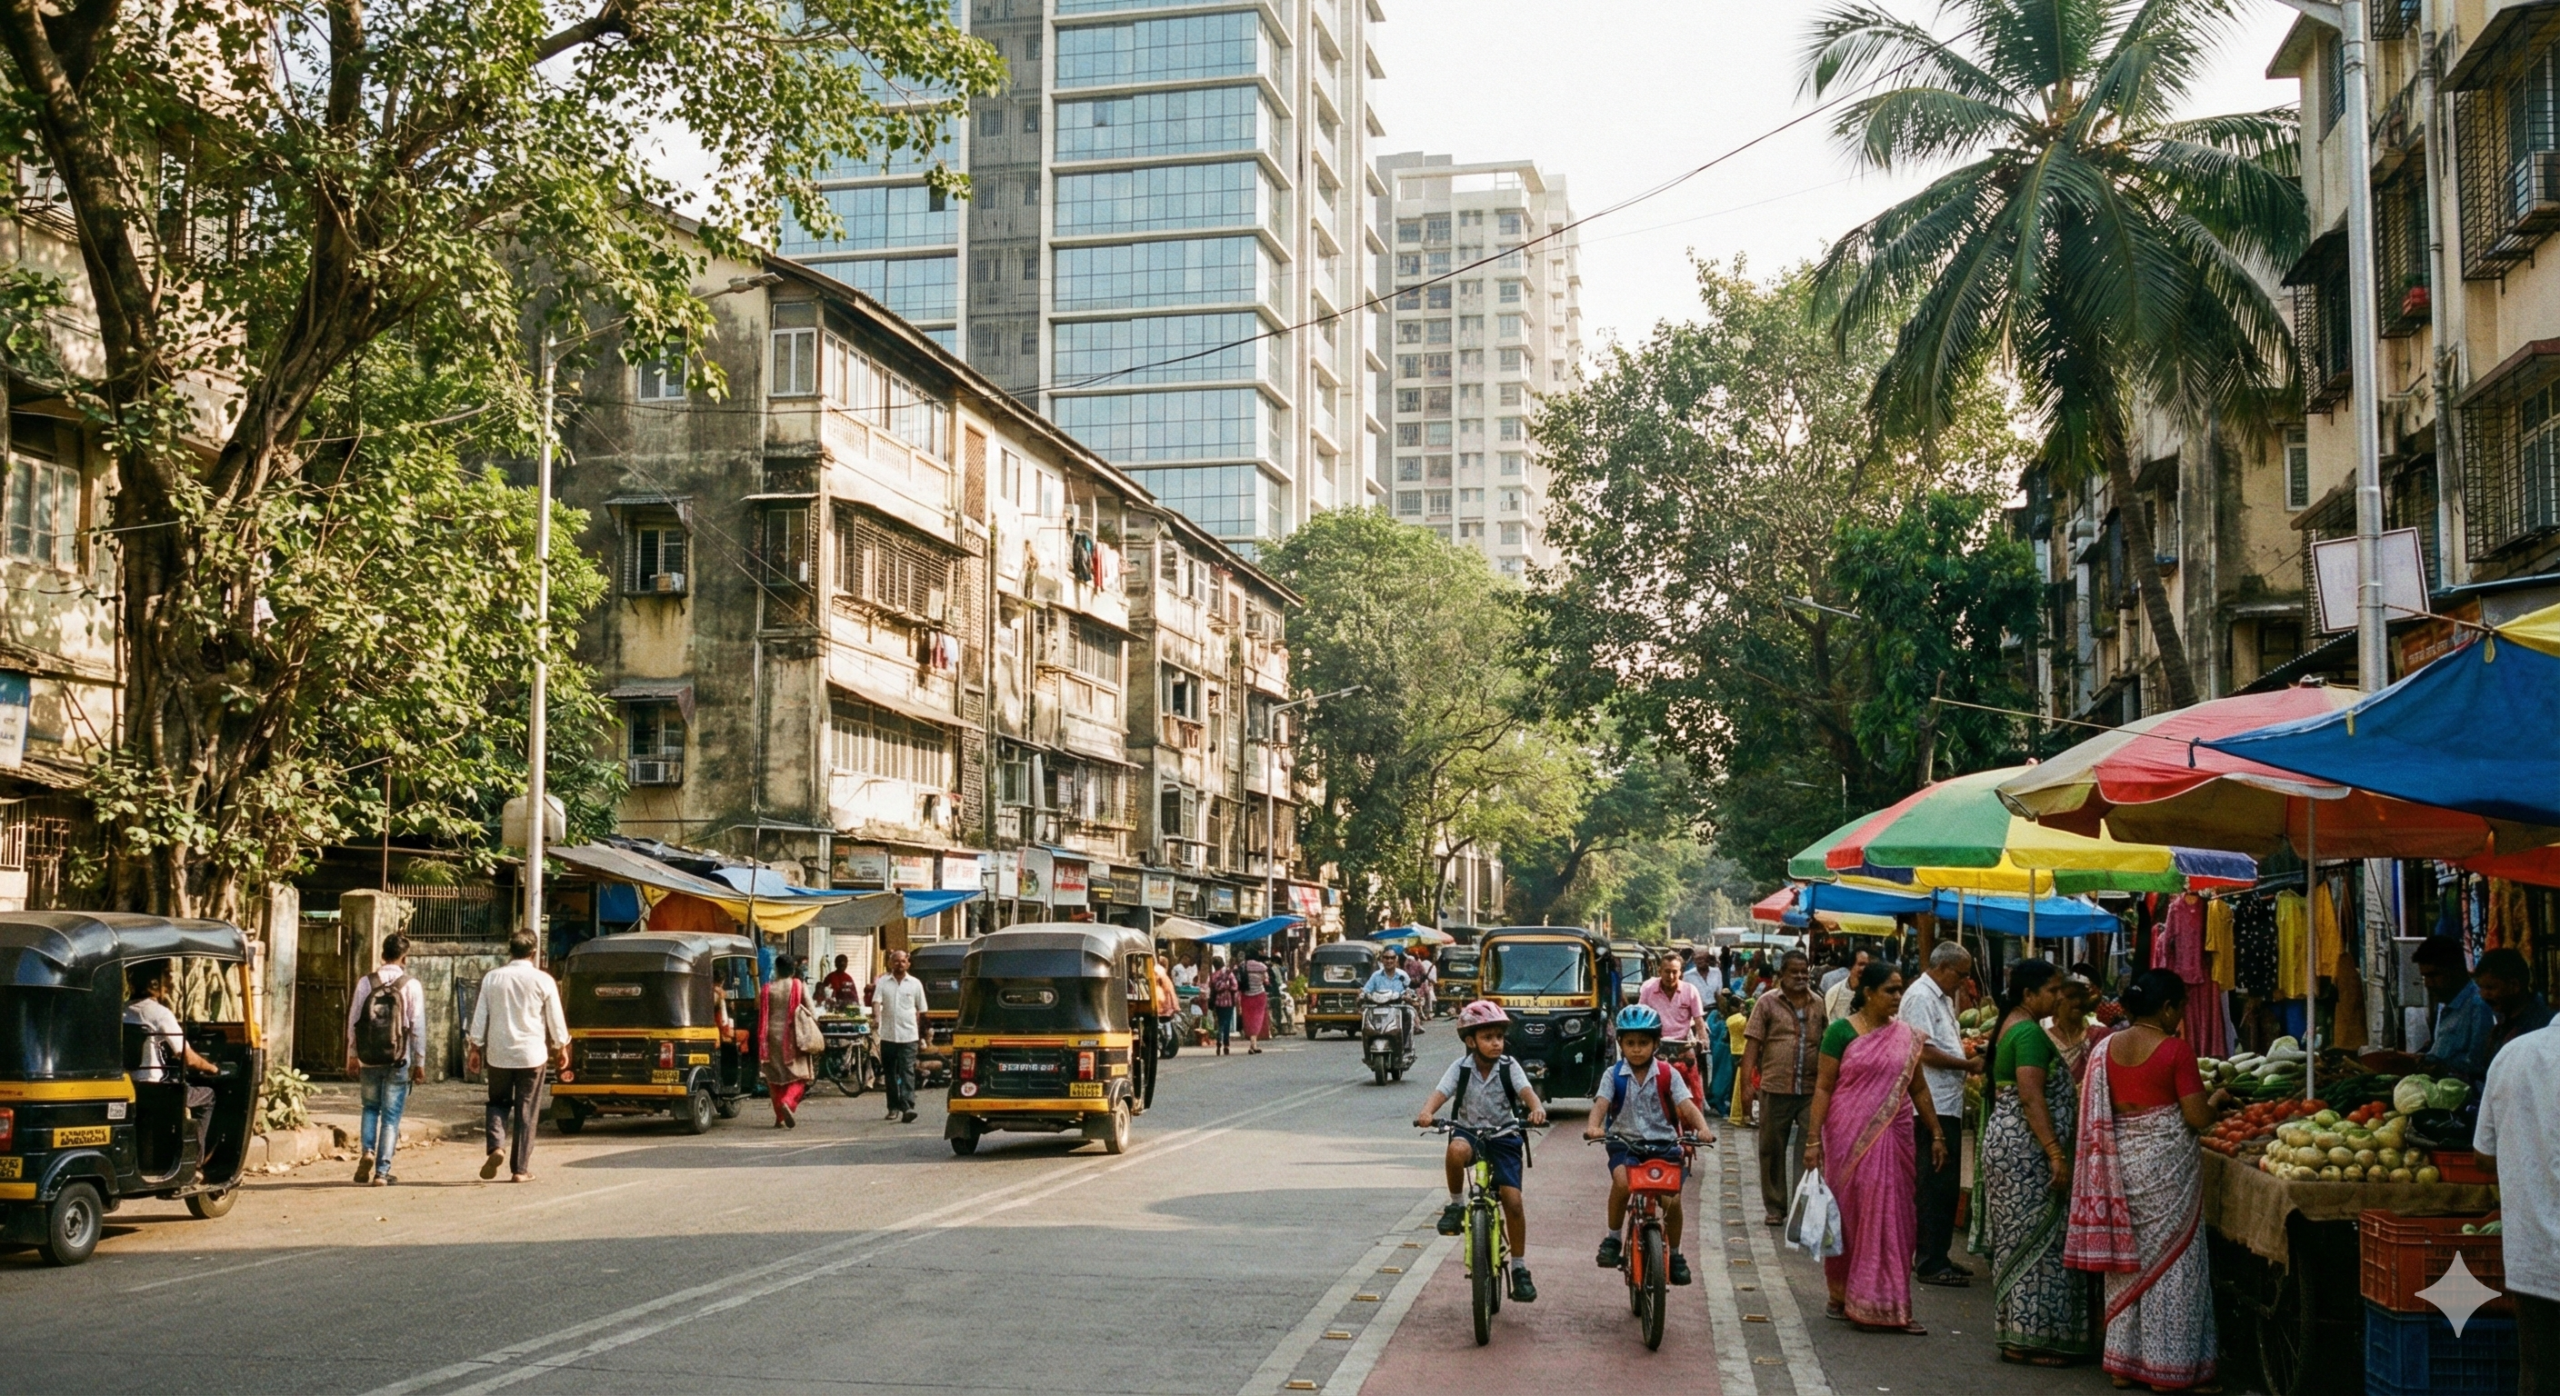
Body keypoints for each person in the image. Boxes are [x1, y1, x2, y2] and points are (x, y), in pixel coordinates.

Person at [2065, 969, 2230, 1393]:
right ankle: (2167, 1370)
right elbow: (2196, 1118)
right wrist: (2218, 1100)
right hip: (2166, 1175)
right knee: (2175, 1267)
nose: (2182, 1017)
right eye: (2182, 1008)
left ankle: (2123, 1365)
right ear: (2169, 1007)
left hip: (2120, 1173)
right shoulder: (2175, 1051)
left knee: (2127, 1263)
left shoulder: (2104, 1049)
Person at [1803, 961, 1945, 1335]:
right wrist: (1812, 1141)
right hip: (1847, 1136)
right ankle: (1841, 1295)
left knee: (1896, 1217)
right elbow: (1823, 1088)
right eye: (1890, 990)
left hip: (1895, 1136)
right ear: (1867, 993)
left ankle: (1890, 1305)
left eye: (1900, 990)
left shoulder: (1907, 1036)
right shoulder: (1840, 1033)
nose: (1898, 997)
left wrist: (1936, 1132)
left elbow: (1917, 1089)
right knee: (1853, 1216)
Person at [1968, 957, 2091, 1366]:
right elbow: (2030, 1095)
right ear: (2029, 995)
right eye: (2053, 990)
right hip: (2027, 1153)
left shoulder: (2012, 1028)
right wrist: (2055, 1152)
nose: (2060, 997)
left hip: (2011, 1147)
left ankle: (2019, 1335)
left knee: (2020, 1241)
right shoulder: (2029, 1035)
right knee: (2040, 1244)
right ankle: (2034, 1338)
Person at [1415, 1000, 1549, 1304]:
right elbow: (1442, 1092)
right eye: (1488, 1038)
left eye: (1499, 1037)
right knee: (1455, 1150)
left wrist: (1536, 1107)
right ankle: (1455, 1205)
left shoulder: (1509, 1066)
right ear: (1470, 1041)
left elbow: (1526, 1091)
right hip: (1469, 1133)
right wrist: (1426, 1112)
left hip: (1504, 1136)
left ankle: (1519, 1268)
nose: (1496, 1043)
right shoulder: (1459, 1068)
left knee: (1513, 1202)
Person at [1587, 1003, 1716, 1287]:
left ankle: (1677, 1254)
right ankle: (1612, 1237)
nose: (1637, 1049)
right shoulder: (1613, 1075)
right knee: (1622, 1182)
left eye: (1643, 1043)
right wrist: (1594, 1126)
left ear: (1656, 1043)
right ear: (1620, 1043)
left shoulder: (1669, 1074)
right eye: (1630, 1043)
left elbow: (1686, 1106)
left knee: (1672, 1201)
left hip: (1665, 1146)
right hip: (1625, 1144)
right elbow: (1601, 1104)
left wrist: (1703, 1129)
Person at [2474, 1011, 2560, 1394]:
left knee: (2540, 1373)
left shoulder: (2513, 1055)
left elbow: (2483, 1155)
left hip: (2534, 1250)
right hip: (2533, 1251)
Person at [1900, 939, 1982, 1286]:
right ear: (1944, 967)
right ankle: (1931, 1260)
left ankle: (1940, 1254)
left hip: (1947, 1100)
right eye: (1961, 975)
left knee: (1944, 1184)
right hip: (1930, 1104)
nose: (1964, 982)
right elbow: (1923, 1052)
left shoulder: (1943, 998)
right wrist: (1966, 1064)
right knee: (1935, 1183)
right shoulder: (1920, 997)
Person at [465, 930, 568, 1184]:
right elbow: (555, 1019)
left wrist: (475, 1046)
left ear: (509, 951)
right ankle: (520, 1170)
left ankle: (496, 1146)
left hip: (499, 1054)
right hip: (532, 1056)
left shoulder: (492, 978)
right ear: (533, 953)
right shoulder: (543, 980)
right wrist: (561, 1046)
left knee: (497, 1102)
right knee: (526, 1110)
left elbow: (480, 1016)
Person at [1739, 949, 1827, 1226]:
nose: (1801, 976)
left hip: (1810, 1089)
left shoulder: (1819, 1003)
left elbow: (1826, 1044)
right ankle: (1775, 1207)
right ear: (1782, 975)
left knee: (1810, 1147)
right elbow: (1752, 1045)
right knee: (1772, 1148)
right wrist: (1746, 1087)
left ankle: (1802, 1211)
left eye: (1805, 971)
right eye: (1795, 972)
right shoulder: (1766, 1003)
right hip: (1775, 1087)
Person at [345, 933, 427, 1186]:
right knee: (391, 1117)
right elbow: (417, 1027)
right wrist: (419, 1063)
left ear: (382, 955)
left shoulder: (365, 982)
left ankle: (367, 1151)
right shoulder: (411, 985)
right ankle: (382, 1172)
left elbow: (354, 1021)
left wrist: (352, 1055)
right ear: (405, 958)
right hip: (398, 1059)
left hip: (369, 1058)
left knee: (370, 1108)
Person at [2363, 935, 2495, 1083]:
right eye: (2425, 977)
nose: (2428, 984)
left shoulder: (2479, 1006)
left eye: (2434, 975)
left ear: (2455, 970)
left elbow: (2478, 1066)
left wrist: (2437, 1067)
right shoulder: (2444, 1005)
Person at [125, 961, 220, 1161]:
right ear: (153, 982)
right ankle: (194, 1162)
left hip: (127, 1088)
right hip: (155, 1092)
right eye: (167, 975)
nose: (171, 981)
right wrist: (212, 1068)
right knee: (208, 1095)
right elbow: (187, 1057)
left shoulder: (121, 1012)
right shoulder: (159, 1014)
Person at [1637, 950, 1710, 1108]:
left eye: (1674, 972)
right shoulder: (1648, 989)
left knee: (1695, 1090)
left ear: (1681, 973)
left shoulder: (1690, 990)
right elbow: (1641, 1018)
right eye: (1667, 972)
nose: (1670, 976)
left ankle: (1695, 1125)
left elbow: (1699, 1020)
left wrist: (1703, 1041)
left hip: (1682, 1045)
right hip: (1657, 1045)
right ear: (1659, 971)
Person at [758, 953, 816, 1129]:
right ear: (793, 970)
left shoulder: (768, 988)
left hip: (771, 1037)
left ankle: (779, 1117)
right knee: (799, 1076)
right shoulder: (798, 985)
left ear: (776, 969)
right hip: (793, 1036)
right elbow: (811, 1011)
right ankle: (787, 1102)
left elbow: (760, 1009)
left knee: (776, 1077)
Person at [871, 949, 926, 1123]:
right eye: (896, 961)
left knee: (907, 1071)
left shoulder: (915, 984)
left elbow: (922, 1010)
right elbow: (876, 1001)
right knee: (890, 1074)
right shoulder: (883, 982)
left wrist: (923, 1036)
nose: (899, 964)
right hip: (888, 1035)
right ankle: (893, 1107)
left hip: (909, 1035)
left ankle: (908, 1107)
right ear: (890, 963)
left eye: (903, 961)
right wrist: (877, 1018)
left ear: (908, 963)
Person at [2474, 947, 2553, 1066]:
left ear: (2514, 985)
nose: (2483, 995)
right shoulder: (2502, 1024)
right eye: (2481, 988)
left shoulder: (2539, 1024)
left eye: (2490, 988)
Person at [2046, 974, 2108, 1086]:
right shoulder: (2044, 1037)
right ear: (2058, 1000)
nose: (2078, 1002)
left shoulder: (2100, 1035)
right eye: (2071, 996)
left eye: (2083, 996)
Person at [1237, 947, 1274, 1053]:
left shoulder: (1242, 966)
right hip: (1259, 996)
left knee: (1248, 1019)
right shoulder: (1262, 967)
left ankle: (1253, 1044)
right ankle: (1253, 1044)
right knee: (1257, 1019)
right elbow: (1266, 981)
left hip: (1246, 996)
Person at [1824, 949, 1872, 1021]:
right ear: (1850, 966)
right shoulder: (1834, 993)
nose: (1864, 968)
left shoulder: (1874, 993)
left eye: (1867, 965)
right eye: (1861, 964)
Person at [1206, 954, 1240, 1055]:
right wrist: (1228, 987)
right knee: (1227, 1024)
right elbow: (1235, 986)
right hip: (1229, 1002)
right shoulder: (1229, 974)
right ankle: (1226, 1044)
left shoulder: (1213, 976)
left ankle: (1219, 1041)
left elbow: (1212, 988)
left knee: (1220, 1023)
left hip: (1218, 1003)